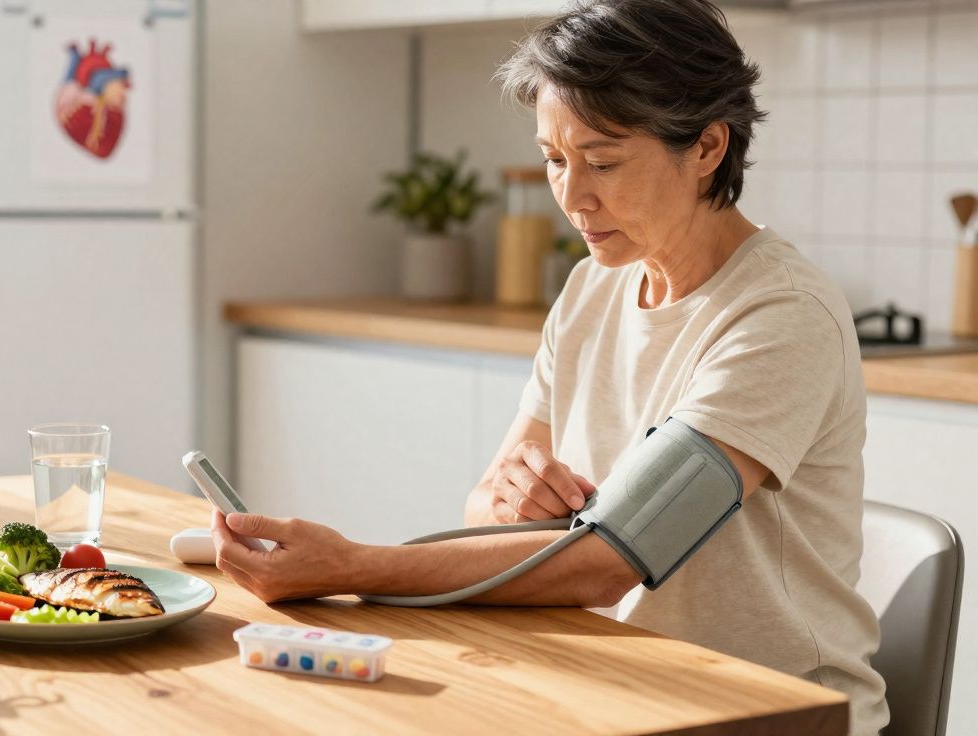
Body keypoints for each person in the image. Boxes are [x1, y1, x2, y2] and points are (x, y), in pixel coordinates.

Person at [209, 1, 888, 732]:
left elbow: (611, 559)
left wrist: (352, 568)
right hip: (618, 682)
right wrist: (512, 500)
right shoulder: (594, 284)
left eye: (603, 161)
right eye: (554, 160)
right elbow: (481, 512)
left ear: (707, 148)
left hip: (770, 710)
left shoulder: (780, 315)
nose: (572, 197)